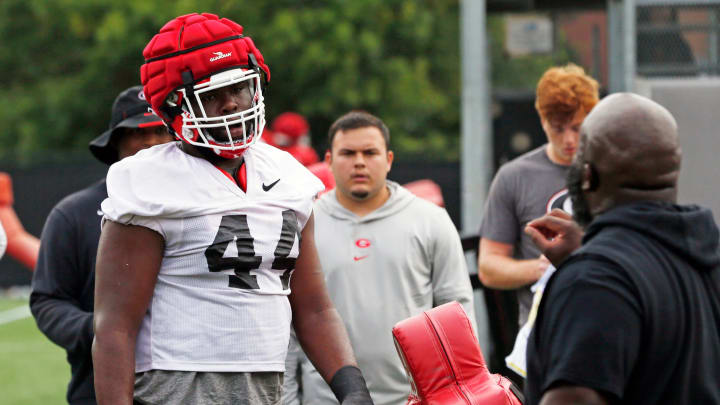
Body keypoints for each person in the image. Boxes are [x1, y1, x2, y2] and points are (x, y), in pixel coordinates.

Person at [91, 13, 373, 405]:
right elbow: (114, 329)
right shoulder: (148, 182)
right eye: (211, 95)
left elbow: (314, 309)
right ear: (175, 107)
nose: (231, 104)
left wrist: (352, 388)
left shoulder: (287, 175)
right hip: (176, 384)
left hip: (267, 381)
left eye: (239, 88)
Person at [523, 93, 720, 405]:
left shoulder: (594, 281)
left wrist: (588, 268)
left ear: (587, 177)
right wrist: (587, 255)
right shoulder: (706, 256)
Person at [286, 111, 476, 405]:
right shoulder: (304, 224)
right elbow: (287, 325)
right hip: (327, 400)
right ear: (328, 161)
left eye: (370, 152)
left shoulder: (430, 220)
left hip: (414, 400)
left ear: (388, 159)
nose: (359, 161)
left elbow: (459, 316)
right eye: (348, 153)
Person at [29, 85, 173, 405]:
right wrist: (104, 331)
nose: (151, 144)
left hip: (194, 388)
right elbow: (48, 301)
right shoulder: (73, 214)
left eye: (160, 131)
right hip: (98, 390)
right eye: (138, 134)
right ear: (117, 144)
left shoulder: (206, 205)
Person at [477, 64, 599, 327]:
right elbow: (488, 267)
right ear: (542, 121)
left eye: (577, 128)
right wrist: (541, 268)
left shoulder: (613, 167)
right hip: (545, 331)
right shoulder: (515, 177)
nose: (569, 139)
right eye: (558, 128)